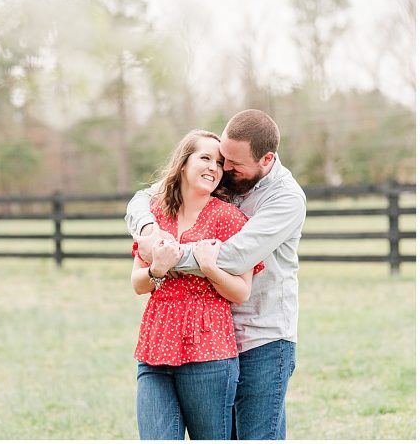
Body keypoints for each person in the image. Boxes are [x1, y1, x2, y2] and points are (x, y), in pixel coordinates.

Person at [127, 110, 306, 440]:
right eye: (222, 158)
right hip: (215, 335)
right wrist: (149, 230)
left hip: (261, 337)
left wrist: (166, 253)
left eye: (232, 163)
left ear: (266, 159)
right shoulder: (227, 175)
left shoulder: (286, 199)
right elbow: (143, 198)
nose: (224, 169)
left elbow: (234, 257)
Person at [131, 129, 264, 440]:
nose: (213, 168)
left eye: (219, 163)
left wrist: (210, 268)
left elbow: (241, 292)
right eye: (205, 158)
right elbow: (137, 283)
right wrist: (156, 269)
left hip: (208, 350)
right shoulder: (156, 216)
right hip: (155, 345)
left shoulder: (229, 219)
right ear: (182, 164)